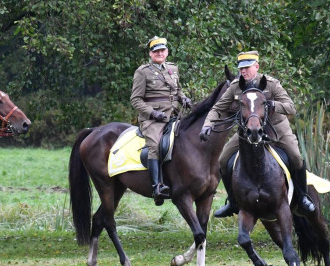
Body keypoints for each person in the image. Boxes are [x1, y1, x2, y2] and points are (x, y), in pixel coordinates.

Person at [200, 50, 315, 217]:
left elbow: (291, 107)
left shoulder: (271, 84)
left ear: (257, 66)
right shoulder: (236, 86)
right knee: (223, 159)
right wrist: (207, 125)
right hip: (248, 131)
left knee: (296, 157)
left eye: (247, 68)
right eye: (241, 68)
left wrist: (273, 105)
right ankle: (232, 202)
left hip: (276, 129)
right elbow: (218, 108)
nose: (243, 71)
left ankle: (303, 198)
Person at [131, 36, 192, 204]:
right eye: (156, 51)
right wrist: (152, 113)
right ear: (150, 53)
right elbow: (135, 100)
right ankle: (157, 186)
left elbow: (177, 90)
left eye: (162, 50)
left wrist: (184, 98)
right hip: (153, 119)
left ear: (167, 52)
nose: (159, 53)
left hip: (174, 115)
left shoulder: (172, 68)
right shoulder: (142, 72)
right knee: (155, 146)